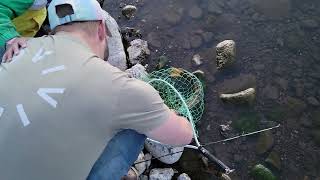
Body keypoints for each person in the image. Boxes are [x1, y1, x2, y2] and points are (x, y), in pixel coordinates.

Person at [0, 0, 193, 180]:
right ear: (101, 29)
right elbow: (183, 135)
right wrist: (170, 115)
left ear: (53, 31)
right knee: (134, 130)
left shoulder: (16, 50)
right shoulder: (121, 88)